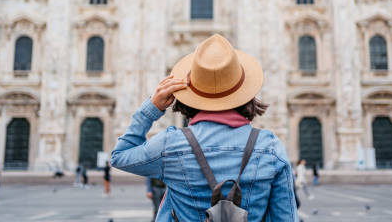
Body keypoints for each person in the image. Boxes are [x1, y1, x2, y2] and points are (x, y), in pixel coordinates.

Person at [111, 34, 298, 221]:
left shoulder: (170, 144)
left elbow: (120, 156)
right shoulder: (270, 147)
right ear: (244, 91)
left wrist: (152, 108)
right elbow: (286, 218)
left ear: (189, 92)